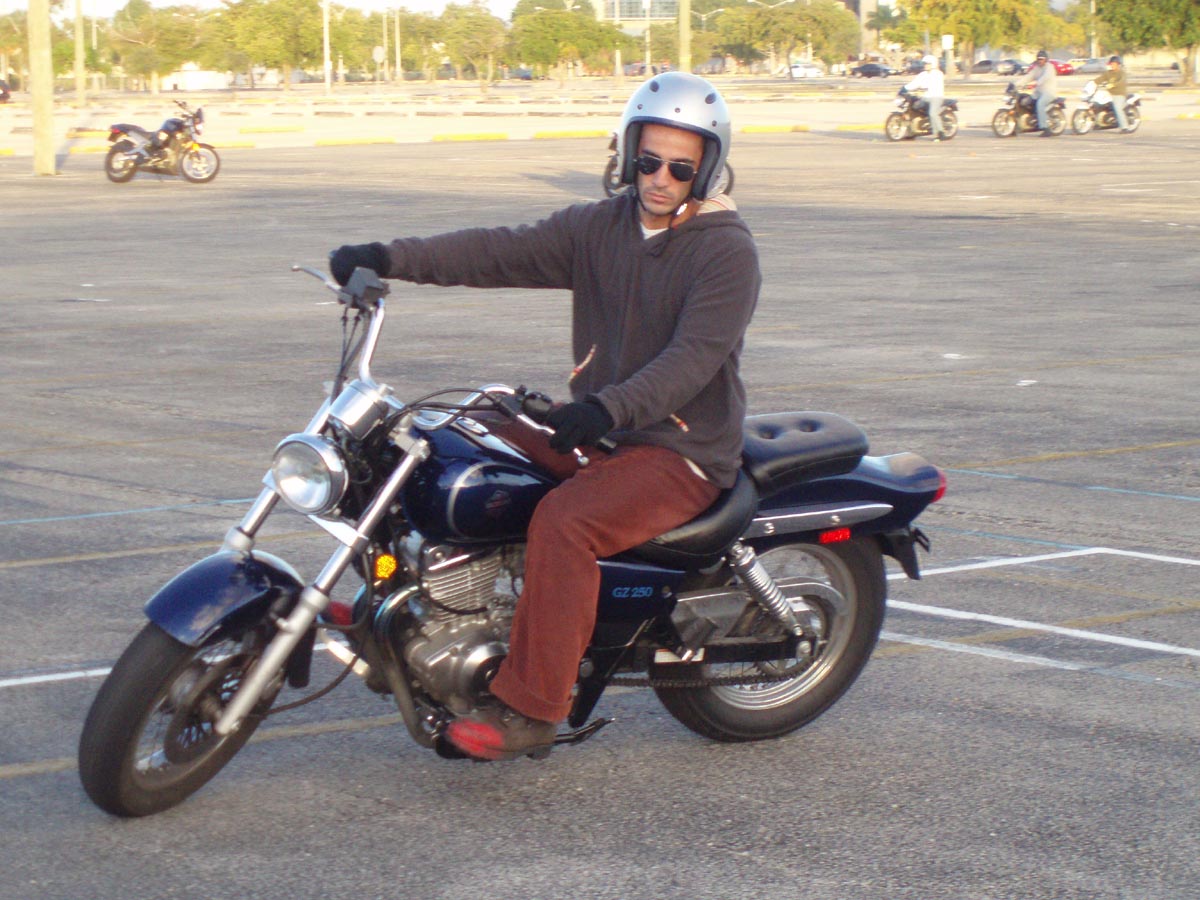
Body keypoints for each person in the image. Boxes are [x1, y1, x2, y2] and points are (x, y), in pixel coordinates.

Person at [328, 72, 761, 762]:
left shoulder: (725, 251)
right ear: (627, 153)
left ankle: (533, 708)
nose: (660, 178)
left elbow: (692, 360)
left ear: (707, 169)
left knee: (565, 522)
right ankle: (404, 607)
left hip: (678, 451)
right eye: (649, 160)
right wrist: (387, 258)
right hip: (604, 426)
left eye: (681, 168)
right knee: (456, 431)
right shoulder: (601, 227)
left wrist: (605, 408)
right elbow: (497, 250)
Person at [904, 54, 945, 141]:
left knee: (932, 113)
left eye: (927, 64)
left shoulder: (938, 74)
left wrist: (922, 87)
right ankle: (912, 131)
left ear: (933, 64)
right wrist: (904, 88)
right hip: (925, 97)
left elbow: (931, 84)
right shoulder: (923, 74)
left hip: (936, 97)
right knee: (912, 108)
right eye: (925, 64)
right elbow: (914, 83)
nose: (925, 65)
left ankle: (939, 132)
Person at [1024, 50, 1059, 136]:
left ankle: (1045, 128)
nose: (1040, 61)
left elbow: (1045, 77)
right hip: (1038, 92)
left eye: (1041, 59)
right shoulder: (1036, 68)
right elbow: (1028, 77)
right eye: (1038, 59)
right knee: (1026, 101)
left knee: (1040, 104)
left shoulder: (1049, 67)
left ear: (1046, 59)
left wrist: (1036, 83)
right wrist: (1016, 84)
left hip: (1049, 93)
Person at [1096, 55, 1131, 132]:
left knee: (1117, 108)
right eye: (1111, 64)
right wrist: (1092, 83)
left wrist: (1113, 84)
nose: (1112, 65)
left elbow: (1121, 81)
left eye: (1114, 64)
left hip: (1119, 94)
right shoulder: (1108, 73)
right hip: (1109, 94)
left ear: (1118, 64)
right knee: (1097, 104)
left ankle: (1125, 127)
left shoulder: (1122, 73)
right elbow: (1100, 79)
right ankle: (1098, 123)